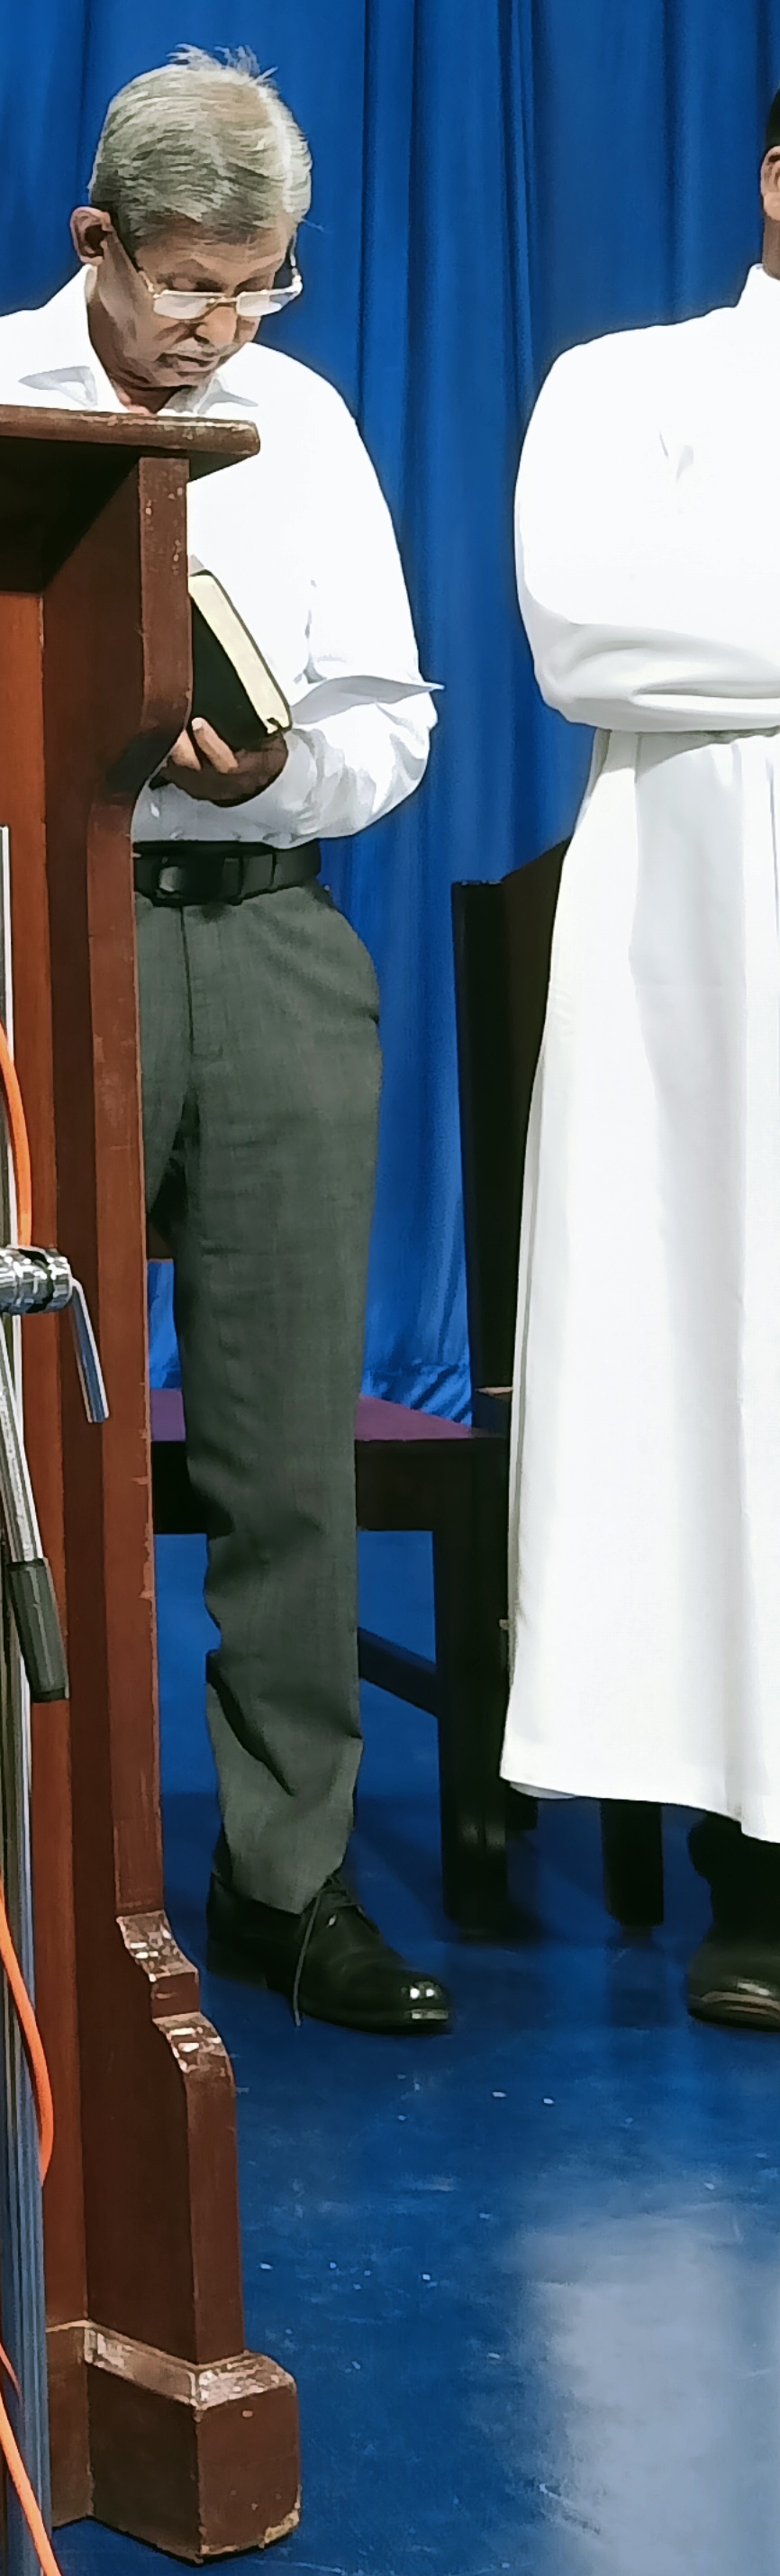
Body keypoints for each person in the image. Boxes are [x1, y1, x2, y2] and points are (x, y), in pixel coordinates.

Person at [0, 52, 447, 2035]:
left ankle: (287, 1878)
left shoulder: (306, 419)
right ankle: (13, 1863)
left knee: (289, 1446)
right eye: (190, 284)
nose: (220, 330)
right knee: (19, 1419)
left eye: (258, 288)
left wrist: (272, 768)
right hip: (41, 931)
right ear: (98, 242)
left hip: (272, 939)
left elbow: (393, 724)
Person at [502, 98, 780, 2032]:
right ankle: (756, 1854)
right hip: (714, 968)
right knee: (726, 1352)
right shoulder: (633, 385)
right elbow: (593, 634)